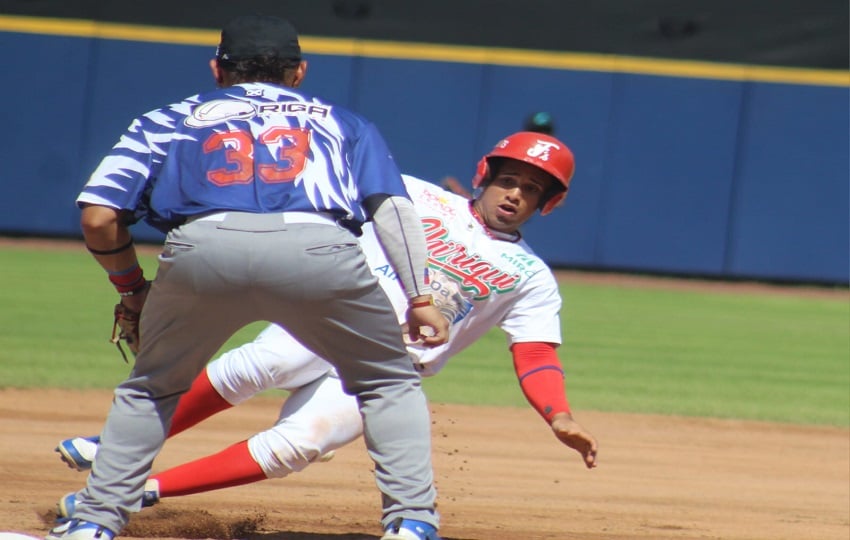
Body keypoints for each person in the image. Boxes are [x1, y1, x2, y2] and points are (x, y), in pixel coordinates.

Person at [56, 132, 599, 534]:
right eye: (509, 179)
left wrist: (559, 414)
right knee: (262, 364)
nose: (515, 194)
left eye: (531, 189)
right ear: (486, 173)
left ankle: (137, 492)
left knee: (297, 446)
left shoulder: (530, 276)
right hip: (330, 314)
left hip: (389, 369)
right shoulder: (412, 193)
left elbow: (535, 352)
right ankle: (112, 450)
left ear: (548, 203)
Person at [47, 13, 450, 540]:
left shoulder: (169, 118)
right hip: (319, 249)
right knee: (388, 380)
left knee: (151, 390)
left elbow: (99, 216)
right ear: (299, 72)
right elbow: (392, 210)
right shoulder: (343, 121)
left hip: (203, 249)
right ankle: (412, 523)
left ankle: (94, 523)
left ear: (217, 69)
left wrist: (133, 290)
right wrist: (419, 295)